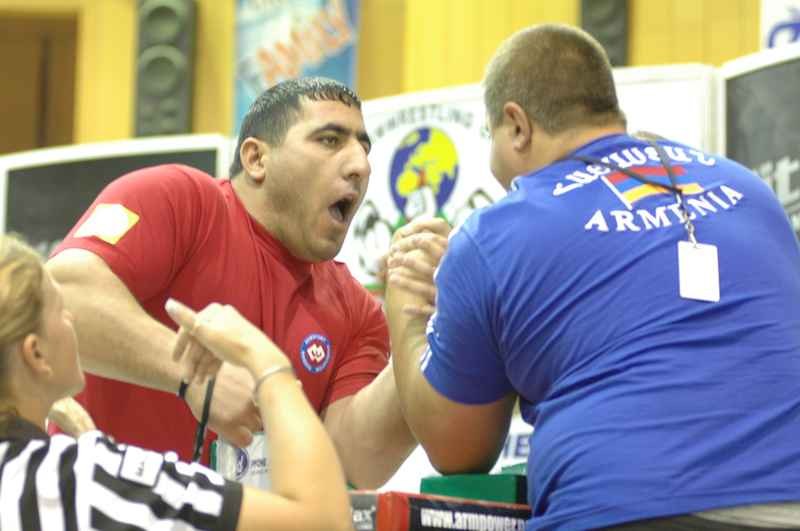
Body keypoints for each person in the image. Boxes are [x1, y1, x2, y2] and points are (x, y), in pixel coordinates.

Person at [384, 23, 800, 530]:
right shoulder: (750, 191)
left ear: (516, 125)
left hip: (626, 513)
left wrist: (405, 310)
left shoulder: (497, 231)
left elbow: (456, 449)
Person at [46, 77, 415, 487]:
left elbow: (356, 464)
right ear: (256, 158)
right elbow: (59, 300)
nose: (360, 166)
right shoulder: (178, 198)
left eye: (363, 148)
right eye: (330, 140)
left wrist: (429, 328)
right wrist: (190, 374)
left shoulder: (358, 310)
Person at [0, 234, 354, 531]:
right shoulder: (88, 478)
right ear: (36, 355)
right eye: (61, 310)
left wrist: (86, 437)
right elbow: (322, 522)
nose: (72, 318)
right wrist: (268, 365)